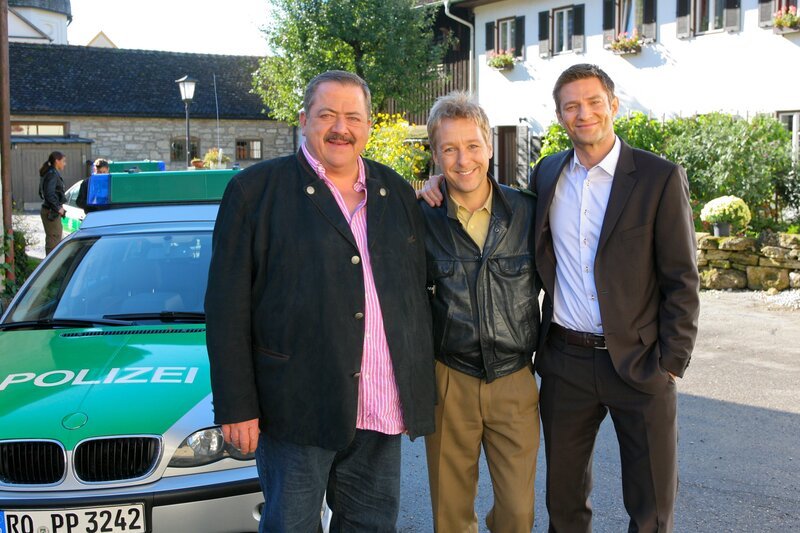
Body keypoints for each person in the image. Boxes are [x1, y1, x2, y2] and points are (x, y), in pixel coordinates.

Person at [205, 70, 435, 532]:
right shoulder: (254, 192)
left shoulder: (395, 192)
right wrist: (236, 406)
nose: (340, 128)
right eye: (327, 115)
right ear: (303, 119)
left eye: (353, 117)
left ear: (369, 125)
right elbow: (226, 308)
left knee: (371, 526)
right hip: (295, 408)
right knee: (291, 525)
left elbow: (417, 289)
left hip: (378, 400)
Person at [529, 63, 700, 532]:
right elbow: (496, 205)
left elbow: (682, 278)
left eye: (593, 102)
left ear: (613, 105)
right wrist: (437, 184)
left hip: (642, 363)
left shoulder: (659, 177)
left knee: (651, 510)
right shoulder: (546, 174)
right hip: (565, 362)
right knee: (563, 505)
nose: (583, 113)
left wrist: (671, 362)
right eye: (571, 106)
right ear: (559, 116)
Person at [418, 92, 540, 533]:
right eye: (449, 149)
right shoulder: (420, 217)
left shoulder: (528, 211)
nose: (463, 159)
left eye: (472, 145)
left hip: (513, 378)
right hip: (449, 378)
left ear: (489, 146)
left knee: (518, 513)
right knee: (451, 514)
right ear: (435, 156)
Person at [38, 151, 67, 254]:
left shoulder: (50, 172)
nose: (65, 164)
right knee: (54, 241)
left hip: (50, 210)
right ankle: (51, 264)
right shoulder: (52, 174)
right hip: (51, 212)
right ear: (57, 161)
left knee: (55, 239)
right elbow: (49, 194)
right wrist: (58, 208)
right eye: (63, 161)